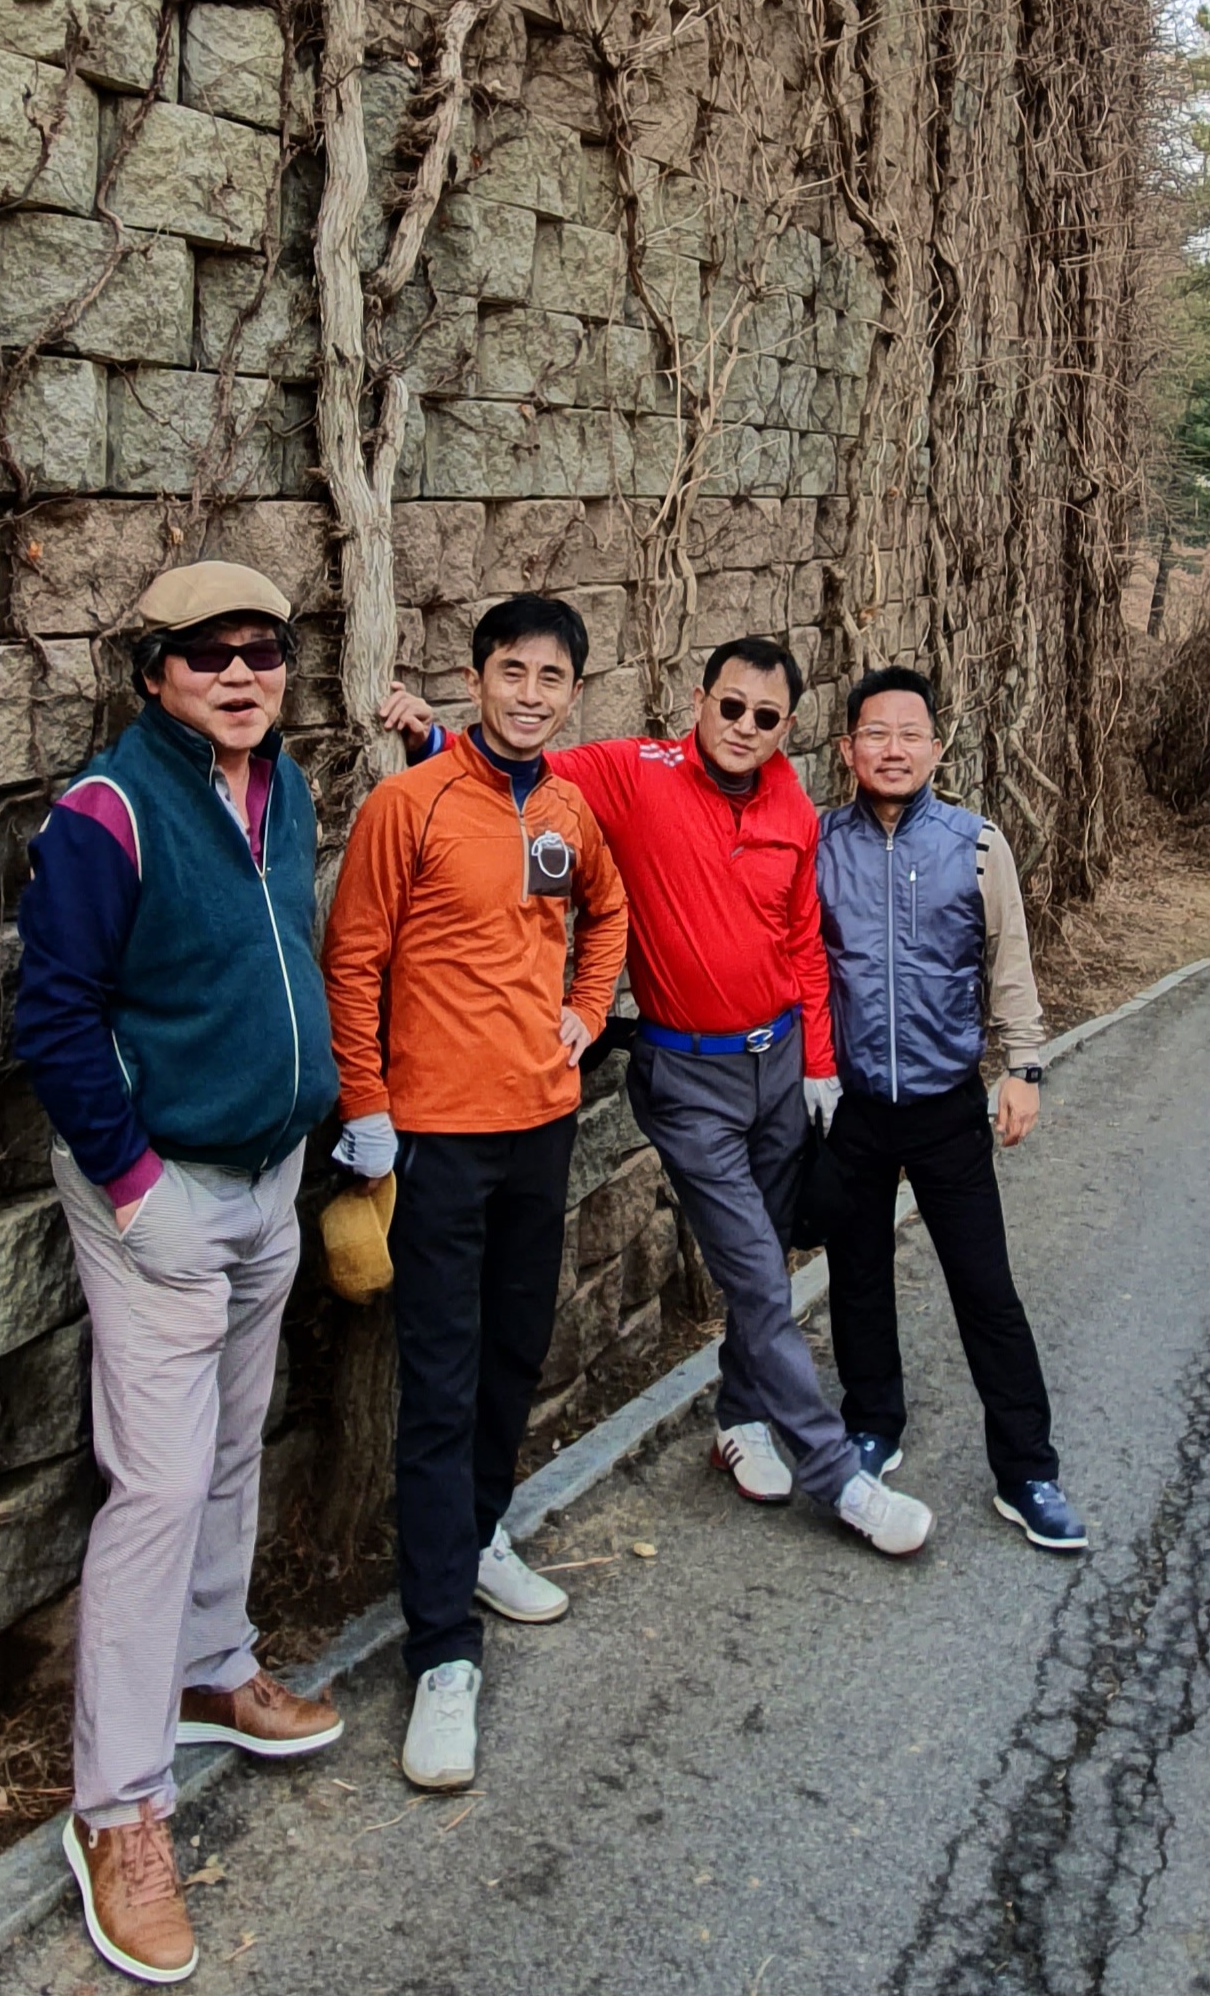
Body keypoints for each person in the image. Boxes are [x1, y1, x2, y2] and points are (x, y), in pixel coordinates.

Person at [381, 639, 934, 1559]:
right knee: (755, 1273)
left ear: (788, 727)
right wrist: (432, 737)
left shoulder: (792, 805)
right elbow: (523, 766)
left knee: (767, 1253)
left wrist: (818, 1064)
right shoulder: (636, 772)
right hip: (689, 1079)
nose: (744, 727)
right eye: (731, 706)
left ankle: (741, 1415)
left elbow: (803, 940)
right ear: (699, 698)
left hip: (777, 1065)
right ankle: (839, 1475)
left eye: (765, 717)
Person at [13, 562, 345, 1989]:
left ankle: (214, 1661)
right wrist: (135, 1183)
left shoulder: (287, 791)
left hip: (268, 1176)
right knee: (154, 1485)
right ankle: (119, 1808)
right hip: (159, 1191)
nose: (242, 671)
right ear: (155, 671)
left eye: (263, 648)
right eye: (209, 652)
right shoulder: (112, 808)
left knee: (232, 1438)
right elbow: (56, 1013)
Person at [326, 595, 628, 1796]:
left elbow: (607, 911)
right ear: (477, 675)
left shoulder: (568, 811)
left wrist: (588, 1011)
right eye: (513, 671)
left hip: (541, 1124)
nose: (531, 694)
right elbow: (353, 957)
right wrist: (365, 1105)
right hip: (435, 1137)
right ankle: (442, 1651)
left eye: (552, 678)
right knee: (442, 1384)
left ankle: (482, 1529)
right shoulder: (409, 805)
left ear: (572, 693)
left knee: (515, 1351)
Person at [814, 666, 1088, 1555]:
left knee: (985, 1287)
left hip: (946, 1106)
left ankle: (1027, 1470)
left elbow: (1009, 961)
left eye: (909, 734)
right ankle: (872, 1423)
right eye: (875, 733)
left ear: (937, 747)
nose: (891, 749)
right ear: (848, 747)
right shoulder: (820, 844)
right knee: (857, 1277)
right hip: (855, 1106)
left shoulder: (976, 845)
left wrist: (1024, 1065)